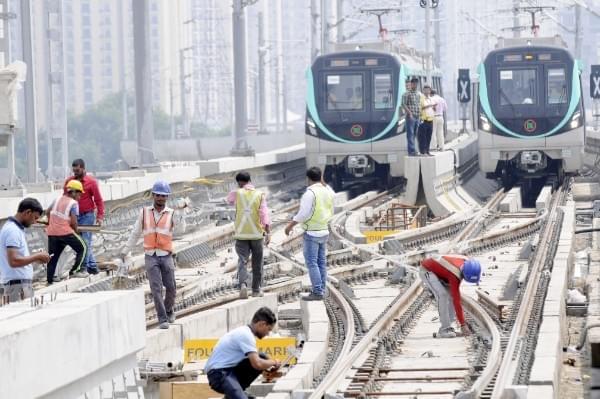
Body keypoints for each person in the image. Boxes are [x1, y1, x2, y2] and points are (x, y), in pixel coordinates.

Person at [121, 180, 186, 329]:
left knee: (171, 287)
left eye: (163, 196)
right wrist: (125, 250)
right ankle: (162, 318)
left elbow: (181, 229)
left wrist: (182, 212)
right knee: (155, 288)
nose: (160, 198)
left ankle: (169, 309)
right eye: (158, 195)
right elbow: (136, 233)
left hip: (166, 254)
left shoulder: (171, 214)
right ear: (153, 196)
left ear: (167, 197)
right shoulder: (144, 213)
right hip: (151, 256)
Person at [206, 307, 281, 399]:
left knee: (262, 356)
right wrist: (274, 362)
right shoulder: (246, 335)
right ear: (262, 324)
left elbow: (258, 360)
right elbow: (257, 364)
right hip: (219, 374)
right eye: (269, 329)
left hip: (228, 371)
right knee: (259, 360)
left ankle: (234, 395)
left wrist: (269, 364)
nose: (268, 334)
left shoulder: (244, 331)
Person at [284, 167, 335, 301]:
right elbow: (332, 195)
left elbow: (303, 213)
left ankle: (317, 292)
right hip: (324, 230)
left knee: (312, 263)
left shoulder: (310, 193)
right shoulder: (327, 191)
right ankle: (321, 290)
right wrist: (322, 181)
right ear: (320, 177)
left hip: (312, 233)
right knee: (321, 263)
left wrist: (290, 226)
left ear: (308, 179)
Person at [227, 171, 271, 299]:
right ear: (250, 180)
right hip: (257, 235)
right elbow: (264, 215)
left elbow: (229, 200)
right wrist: (268, 232)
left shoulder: (237, 193)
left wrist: (238, 192)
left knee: (242, 261)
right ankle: (256, 290)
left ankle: (243, 285)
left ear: (239, 182)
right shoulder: (260, 194)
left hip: (241, 235)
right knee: (257, 263)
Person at [0, 198, 51, 302]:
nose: (35, 221)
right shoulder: (12, 231)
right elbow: (13, 261)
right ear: (28, 212)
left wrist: (35, 259)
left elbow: (17, 259)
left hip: (19, 285)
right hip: (17, 287)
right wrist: (37, 256)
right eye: (35, 217)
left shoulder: (14, 229)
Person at [420, 254, 482, 338]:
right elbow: (457, 300)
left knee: (451, 296)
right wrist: (463, 324)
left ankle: (449, 327)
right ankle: (444, 329)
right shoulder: (454, 274)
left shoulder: (469, 264)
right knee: (442, 295)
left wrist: (462, 323)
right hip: (427, 270)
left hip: (442, 273)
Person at [64, 159, 105, 275]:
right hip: (74, 216)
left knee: (85, 241)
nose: (75, 173)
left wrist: (100, 217)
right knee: (81, 242)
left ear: (83, 168)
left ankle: (82, 268)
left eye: (77, 170)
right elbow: (64, 199)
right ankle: (92, 266)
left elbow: (98, 200)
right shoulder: (69, 182)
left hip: (87, 215)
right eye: (74, 171)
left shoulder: (91, 182)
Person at [46, 180, 89, 283]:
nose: (80, 196)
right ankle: (75, 271)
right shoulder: (73, 203)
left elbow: (48, 212)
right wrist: (77, 231)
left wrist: (50, 223)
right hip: (65, 232)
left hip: (52, 233)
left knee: (52, 257)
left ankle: (50, 279)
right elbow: (74, 222)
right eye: (79, 194)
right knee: (83, 247)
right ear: (73, 192)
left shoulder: (57, 199)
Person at [400, 78, 421, 156]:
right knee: (410, 134)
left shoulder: (418, 94)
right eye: (413, 84)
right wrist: (409, 113)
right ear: (411, 84)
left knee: (416, 134)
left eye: (416, 84)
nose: (415, 85)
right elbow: (403, 104)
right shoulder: (406, 94)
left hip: (417, 116)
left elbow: (419, 105)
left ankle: (415, 150)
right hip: (410, 117)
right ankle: (411, 151)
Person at [417, 85, 435, 156]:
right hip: (423, 120)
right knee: (422, 137)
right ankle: (422, 151)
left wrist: (433, 108)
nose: (427, 91)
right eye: (425, 90)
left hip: (430, 120)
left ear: (430, 91)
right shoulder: (421, 98)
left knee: (429, 136)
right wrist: (428, 106)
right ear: (423, 90)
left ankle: (427, 151)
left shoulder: (431, 99)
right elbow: (419, 107)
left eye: (428, 90)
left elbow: (432, 108)